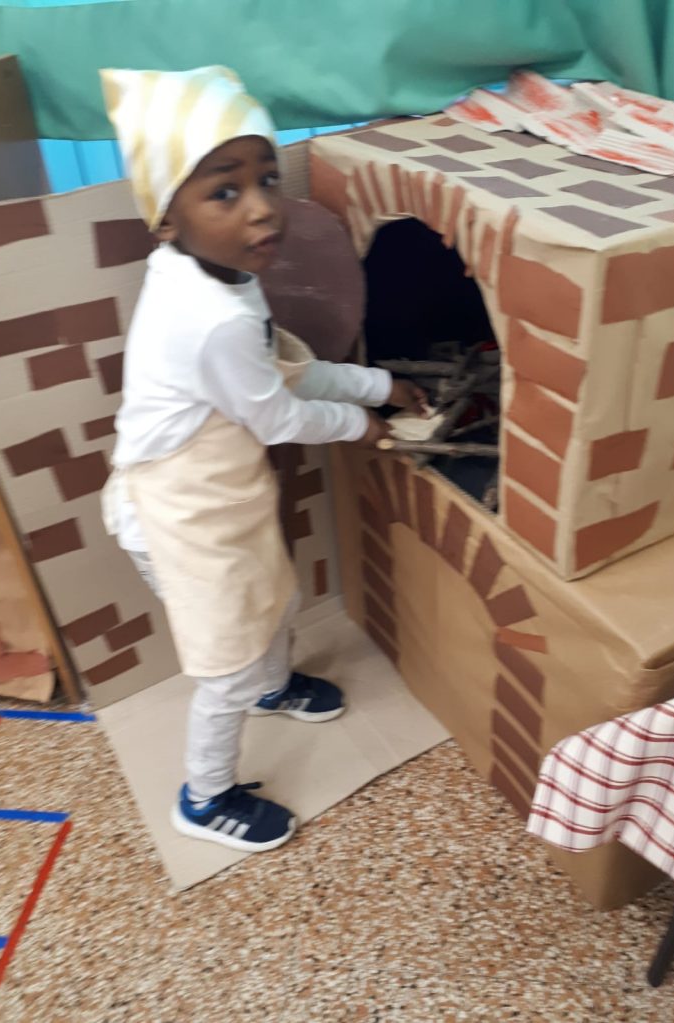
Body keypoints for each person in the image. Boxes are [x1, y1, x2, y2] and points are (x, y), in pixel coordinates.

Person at [99, 66, 423, 853]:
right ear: (165, 219)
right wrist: (362, 423)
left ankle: (273, 686)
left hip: (217, 496)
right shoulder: (207, 315)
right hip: (174, 512)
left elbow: (282, 367)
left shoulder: (218, 274)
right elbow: (278, 414)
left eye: (266, 178)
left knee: (272, 596)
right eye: (224, 190)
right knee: (227, 662)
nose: (261, 206)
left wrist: (380, 384)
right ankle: (205, 796)